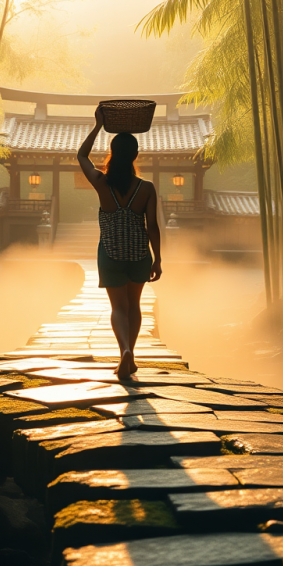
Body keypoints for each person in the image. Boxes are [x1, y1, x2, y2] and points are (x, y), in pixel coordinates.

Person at [77, 106, 162, 378]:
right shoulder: (146, 188)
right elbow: (153, 226)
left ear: (112, 154)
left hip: (111, 253)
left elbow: (81, 156)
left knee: (118, 308)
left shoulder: (102, 183)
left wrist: (98, 125)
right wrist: (158, 259)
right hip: (139, 254)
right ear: (136, 155)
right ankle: (131, 353)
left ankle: (124, 350)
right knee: (134, 305)